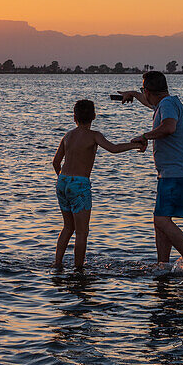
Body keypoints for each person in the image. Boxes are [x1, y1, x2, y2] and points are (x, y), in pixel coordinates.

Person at [114, 71, 183, 272]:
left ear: (149, 90)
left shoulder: (167, 105)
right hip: (171, 172)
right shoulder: (167, 102)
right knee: (161, 222)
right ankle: (163, 265)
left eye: (143, 90)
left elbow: (169, 127)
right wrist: (135, 95)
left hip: (176, 173)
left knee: (161, 220)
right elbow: (153, 105)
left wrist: (145, 136)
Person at [52, 99, 146, 272]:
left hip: (62, 182)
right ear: (94, 116)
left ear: (74, 117)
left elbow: (56, 162)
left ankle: (57, 263)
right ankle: (78, 269)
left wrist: (63, 179)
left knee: (67, 227)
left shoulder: (67, 136)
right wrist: (135, 145)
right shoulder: (94, 135)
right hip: (79, 185)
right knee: (81, 232)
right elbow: (114, 148)